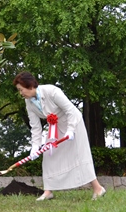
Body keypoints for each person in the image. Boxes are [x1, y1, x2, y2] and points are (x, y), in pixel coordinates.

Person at [13, 71, 106, 201]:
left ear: (29, 86)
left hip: (73, 123)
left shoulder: (51, 91)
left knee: (80, 155)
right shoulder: (29, 103)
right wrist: (35, 147)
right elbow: (35, 127)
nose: (21, 93)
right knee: (49, 155)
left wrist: (71, 129)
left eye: (21, 89)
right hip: (55, 128)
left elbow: (70, 110)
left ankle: (98, 188)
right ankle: (48, 192)